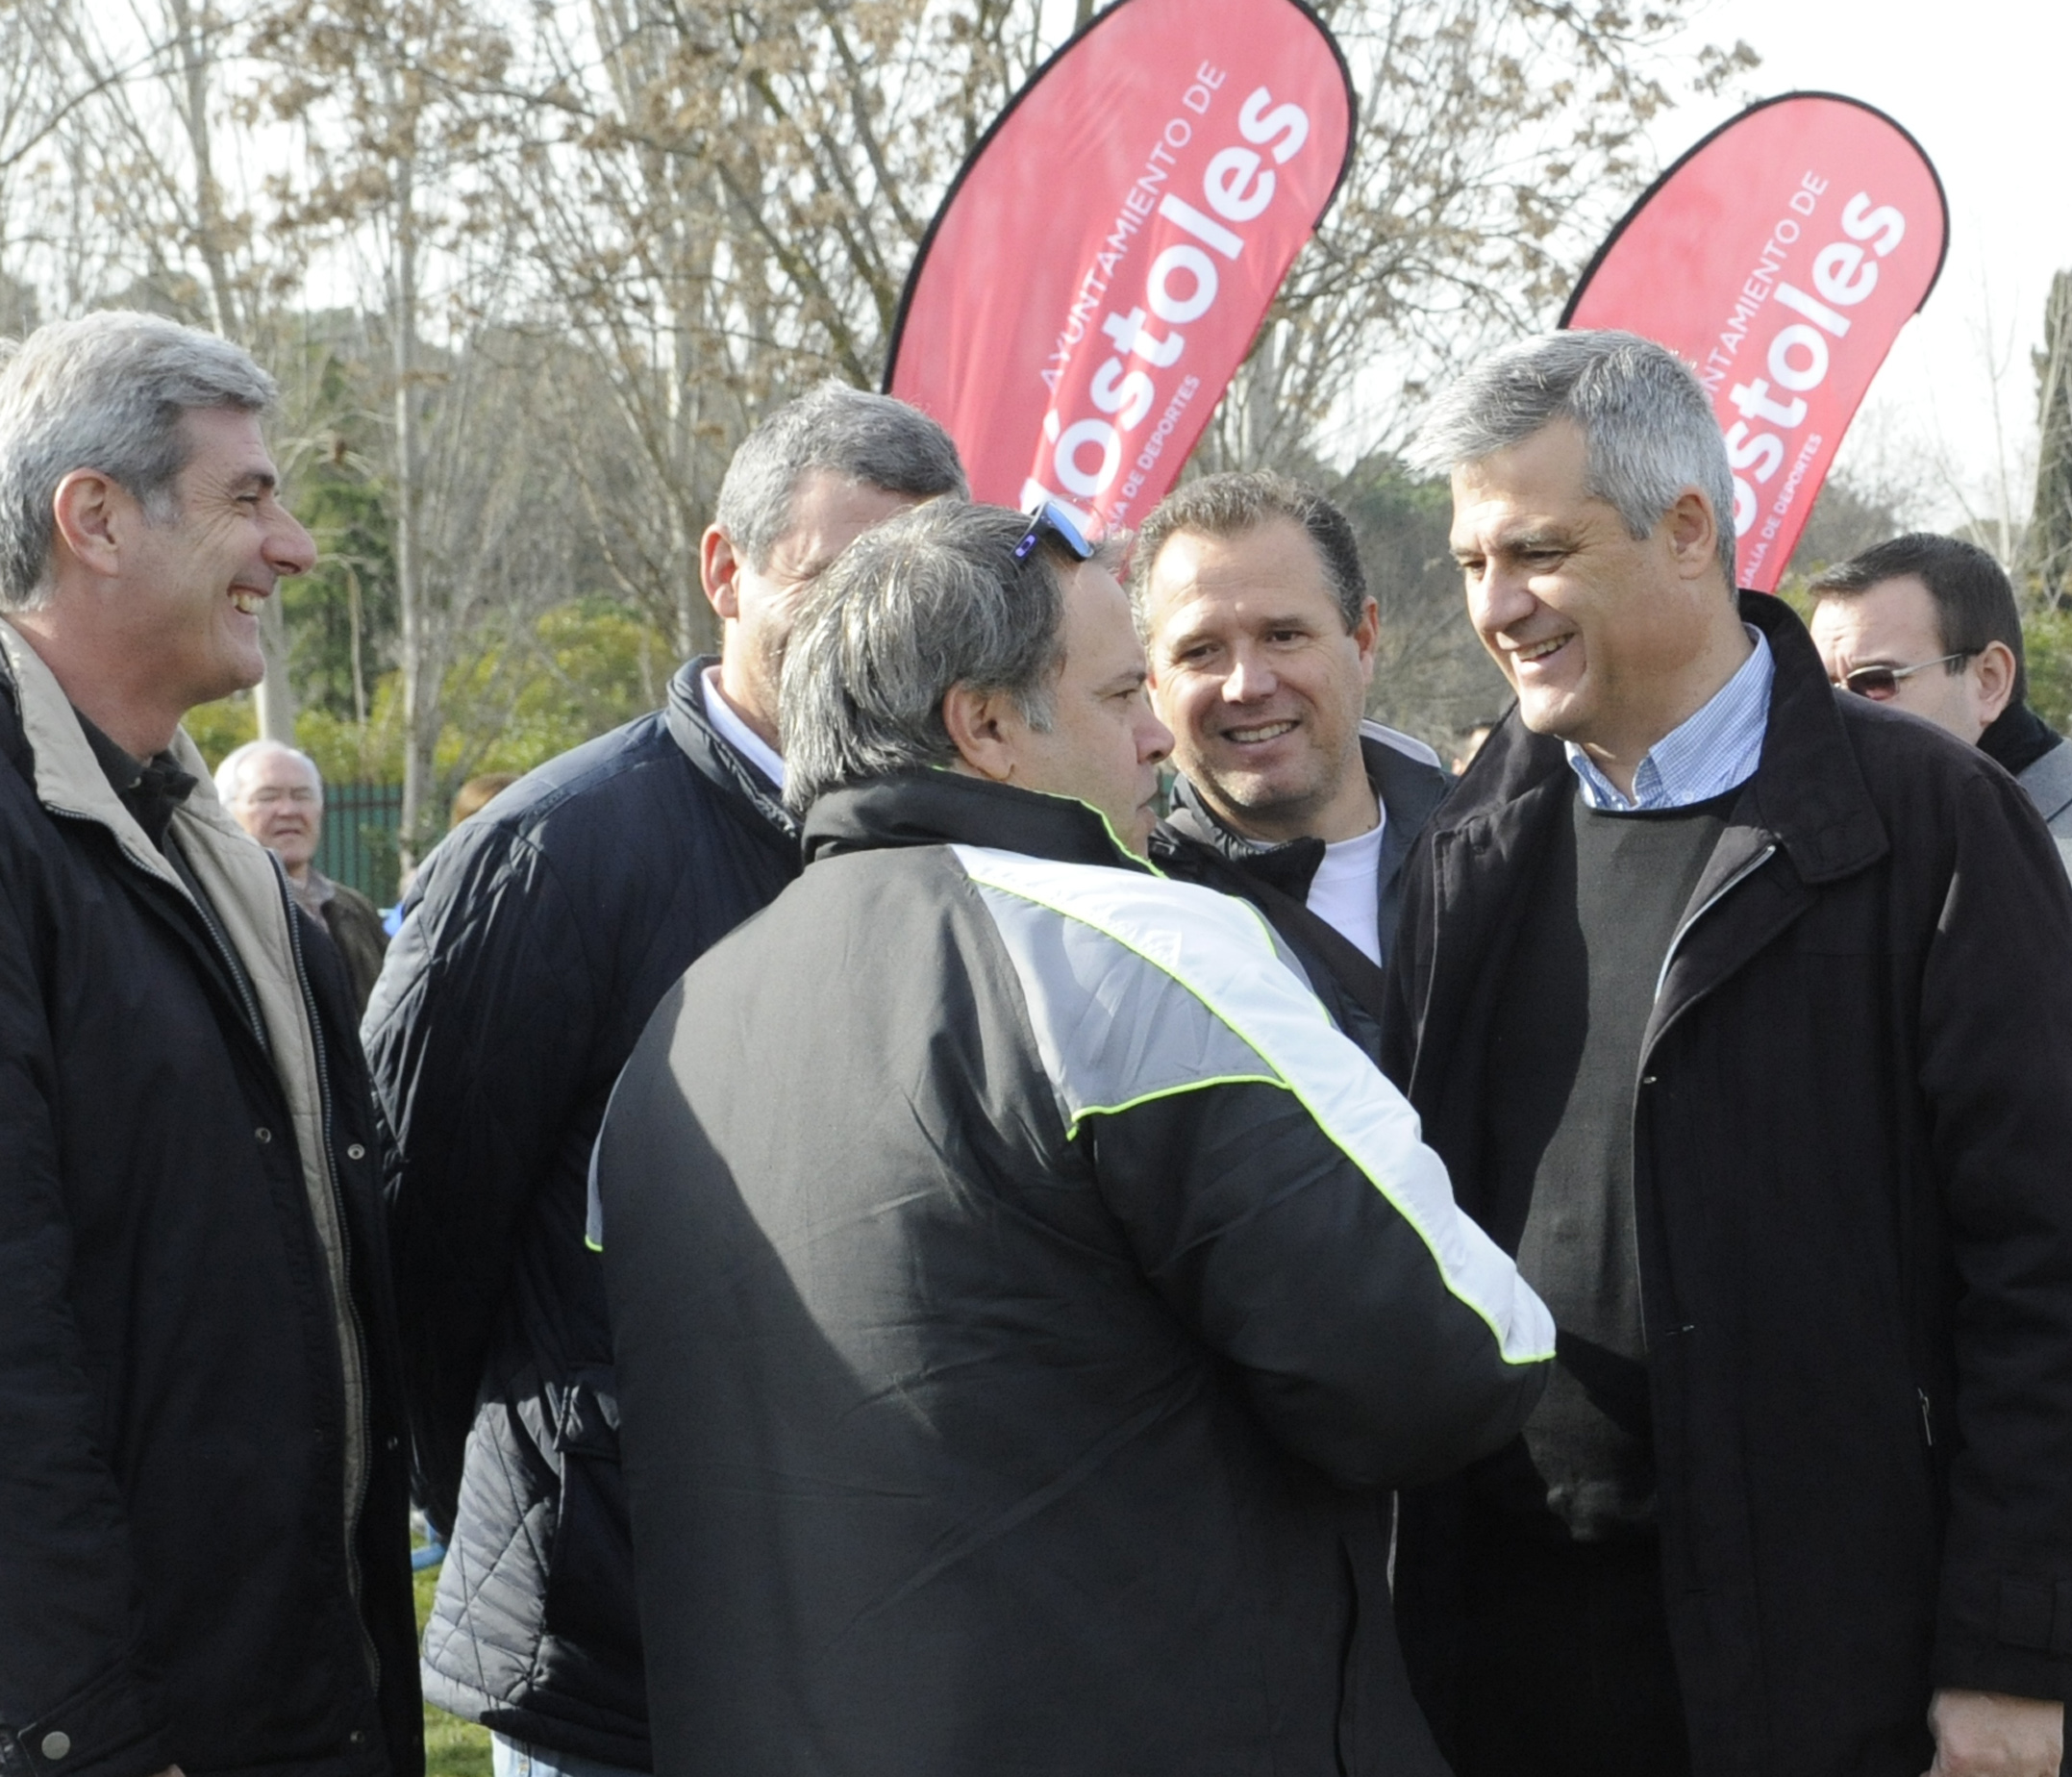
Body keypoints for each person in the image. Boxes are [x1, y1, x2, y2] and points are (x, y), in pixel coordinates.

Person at [594, 498, 1555, 1776]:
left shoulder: (678, 1032)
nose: (1160, 732)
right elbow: (1449, 1362)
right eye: (1119, 694)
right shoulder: (1127, 949)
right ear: (986, 727)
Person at [1386, 330, 2072, 1777]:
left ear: (1687, 530)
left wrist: (2009, 1661)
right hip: (1525, 1677)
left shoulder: (1933, 827)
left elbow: (2053, 1270)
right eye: (1473, 561)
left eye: (1537, 552)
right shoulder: (1470, 849)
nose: (1497, 605)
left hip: (1850, 1672)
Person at [365, 382, 965, 1777]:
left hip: (902, 1628)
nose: (874, 624)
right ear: (723, 570)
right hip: (626, 1657)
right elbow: (413, 1248)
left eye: (913, 584)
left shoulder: (970, 835)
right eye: (832, 577)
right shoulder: (547, 860)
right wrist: (566, 1500)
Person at [0, 311, 419, 1776]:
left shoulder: (220, 862)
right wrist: (85, 1734)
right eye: (247, 498)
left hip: (296, 1697)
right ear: (96, 519)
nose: (293, 548)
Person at [1808, 533, 2072, 1777]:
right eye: (1819, 691)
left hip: (2030, 1486)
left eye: (1874, 685)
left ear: (1988, 680)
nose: (1838, 719)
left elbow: (2049, 1220)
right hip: (1867, 1490)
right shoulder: (1873, 862)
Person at [1134, 471, 1449, 1051]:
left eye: (1283, 635)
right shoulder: (1136, 926)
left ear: (1363, 641)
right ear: (1152, 683)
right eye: (1201, 651)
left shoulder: (1514, 849)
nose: (1246, 685)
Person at [218, 736, 389, 1023]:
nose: (288, 810)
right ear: (226, 812)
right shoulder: (219, 909)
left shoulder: (354, 909)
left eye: (302, 795)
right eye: (268, 796)